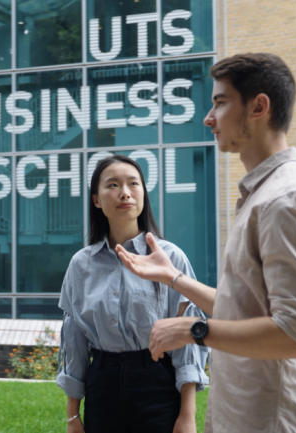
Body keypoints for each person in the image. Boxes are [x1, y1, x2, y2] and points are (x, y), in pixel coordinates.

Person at [116, 53, 296, 432]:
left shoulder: (288, 199)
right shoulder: (263, 195)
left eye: (220, 102)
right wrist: (174, 278)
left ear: (259, 107)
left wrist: (193, 331)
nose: (208, 117)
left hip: (272, 420)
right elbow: (248, 310)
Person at [57, 155, 209, 433]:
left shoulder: (170, 256)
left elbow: (187, 337)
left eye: (133, 184)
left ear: (142, 194)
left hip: (157, 382)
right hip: (102, 385)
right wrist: (72, 416)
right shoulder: (82, 264)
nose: (125, 192)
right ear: (96, 200)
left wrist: (187, 415)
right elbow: (74, 339)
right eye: (113, 185)